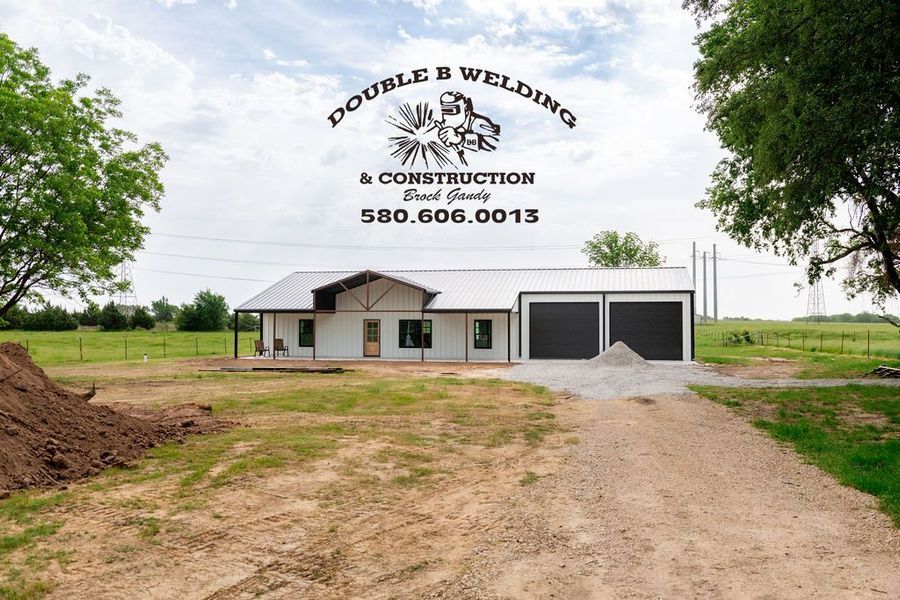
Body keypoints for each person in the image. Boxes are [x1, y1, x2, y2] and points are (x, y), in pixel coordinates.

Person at [437, 91, 500, 162]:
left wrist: (462, 140)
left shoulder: (479, 123)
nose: (447, 116)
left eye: (452, 110)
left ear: (466, 109)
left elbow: (496, 145)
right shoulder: (446, 126)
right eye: (444, 110)